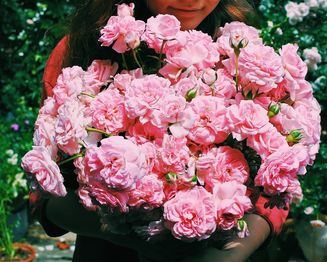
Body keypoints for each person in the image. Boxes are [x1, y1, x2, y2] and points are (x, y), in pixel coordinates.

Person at [33, 0, 289, 261]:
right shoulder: (81, 48)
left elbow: (277, 189)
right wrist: (132, 236)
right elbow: (45, 198)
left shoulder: (245, 53)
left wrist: (234, 253)